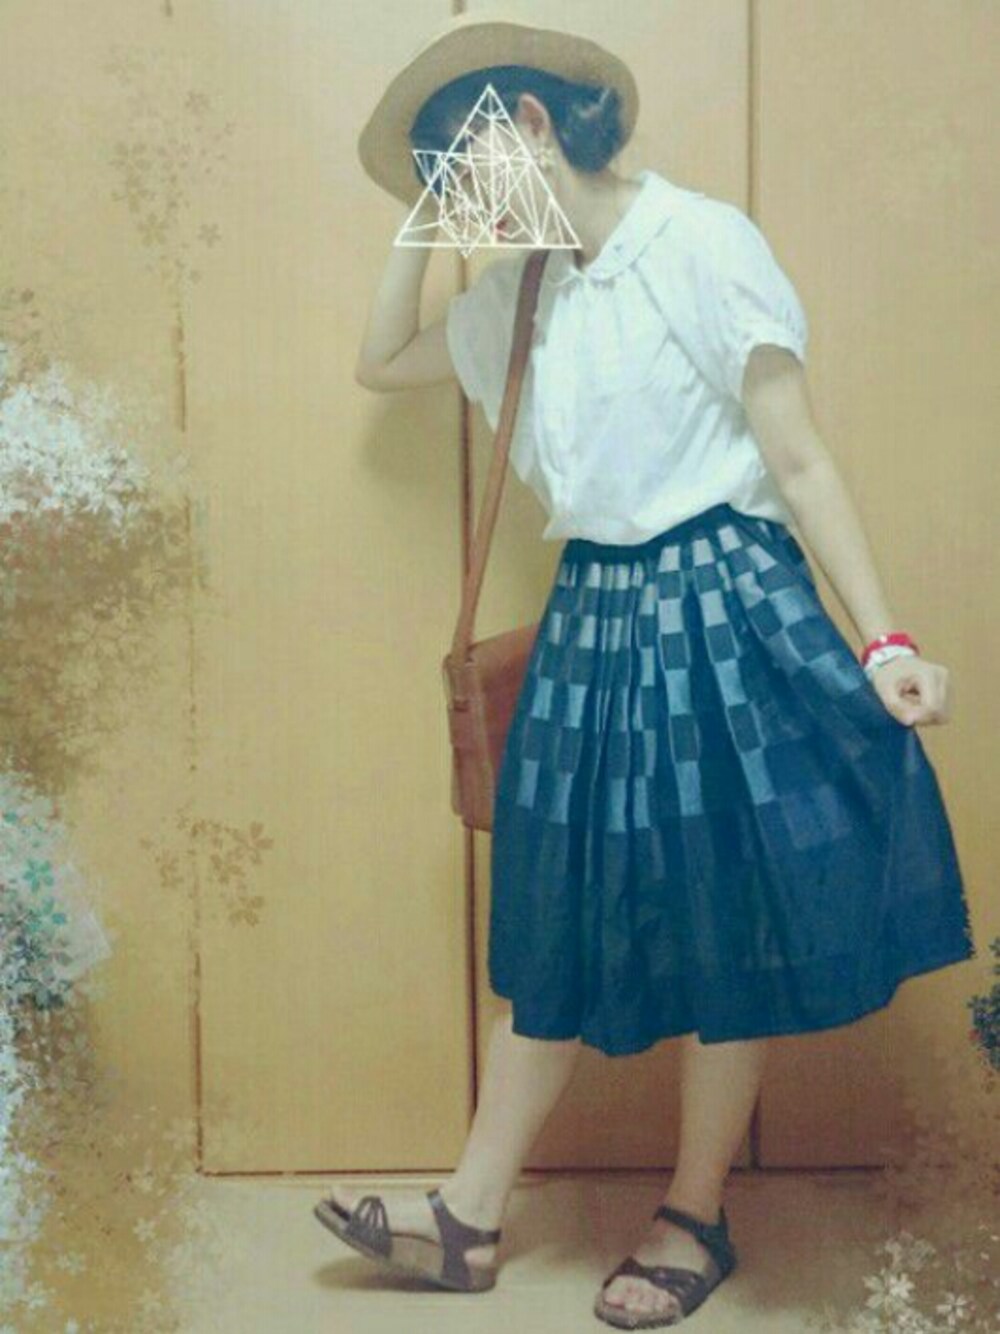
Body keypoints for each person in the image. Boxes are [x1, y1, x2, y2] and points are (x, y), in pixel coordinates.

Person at [314, 11, 977, 1328]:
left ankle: (693, 1210)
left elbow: (797, 457)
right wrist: (423, 221)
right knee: (557, 911)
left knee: (726, 921)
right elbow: (379, 363)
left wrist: (885, 640)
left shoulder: (700, 243)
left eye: (463, 165)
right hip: (595, 620)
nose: (463, 203)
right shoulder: (517, 296)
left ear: (534, 123)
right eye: (441, 182)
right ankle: (470, 1215)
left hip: (725, 608)